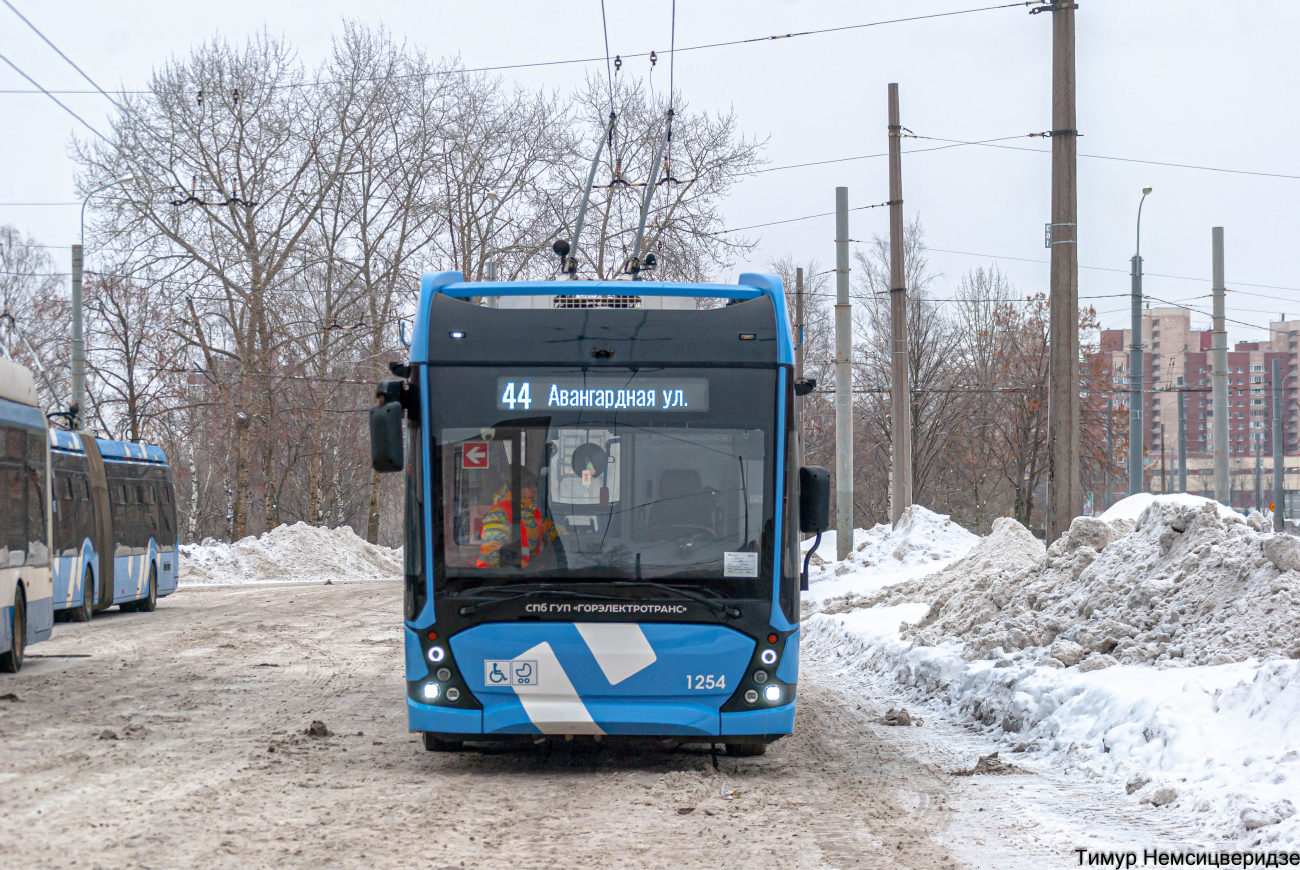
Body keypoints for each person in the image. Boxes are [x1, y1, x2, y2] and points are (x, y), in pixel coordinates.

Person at [476, 467, 559, 569]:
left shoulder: (532, 512)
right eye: (529, 487)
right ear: (517, 488)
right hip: (499, 578)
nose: (534, 491)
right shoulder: (499, 513)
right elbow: (493, 553)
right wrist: (524, 568)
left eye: (535, 487)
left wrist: (569, 532)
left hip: (527, 575)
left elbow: (550, 531)